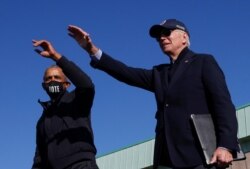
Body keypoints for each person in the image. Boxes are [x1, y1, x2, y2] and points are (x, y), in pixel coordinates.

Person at [67, 19, 239, 169]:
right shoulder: (159, 73)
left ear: (185, 37)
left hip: (200, 157)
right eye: (159, 37)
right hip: (168, 158)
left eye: (167, 32)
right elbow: (125, 72)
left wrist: (225, 145)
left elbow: (222, 104)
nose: (162, 38)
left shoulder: (203, 62)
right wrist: (91, 49)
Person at [31, 40, 99, 169]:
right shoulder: (42, 121)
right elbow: (39, 158)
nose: (52, 81)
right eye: (48, 79)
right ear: (43, 86)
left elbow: (87, 85)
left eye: (57, 78)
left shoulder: (77, 101)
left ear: (67, 84)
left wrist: (55, 56)